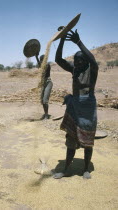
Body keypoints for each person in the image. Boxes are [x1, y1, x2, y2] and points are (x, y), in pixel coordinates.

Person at [53, 29, 98, 179]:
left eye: (80, 60)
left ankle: (86, 168)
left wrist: (79, 42)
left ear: (85, 62)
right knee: (70, 138)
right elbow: (58, 59)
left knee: (87, 139)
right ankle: (66, 169)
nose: (77, 63)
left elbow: (93, 60)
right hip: (74, 107)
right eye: (75, 60)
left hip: (87, 108)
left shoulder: (92, 70)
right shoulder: (75, 69)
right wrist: (62, 38)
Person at [37, 54, 53, 119]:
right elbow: (40, 66)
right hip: (43, 83)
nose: (41, 62)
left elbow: (44, 67)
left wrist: (37, 58)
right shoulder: (40, 66)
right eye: (41, 61)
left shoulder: (47, 65)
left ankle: (46, 115)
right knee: (42, 101)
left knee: (45, 100)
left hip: (48, 83)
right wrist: (36, 56)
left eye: (42, 60)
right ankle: (45, 113)